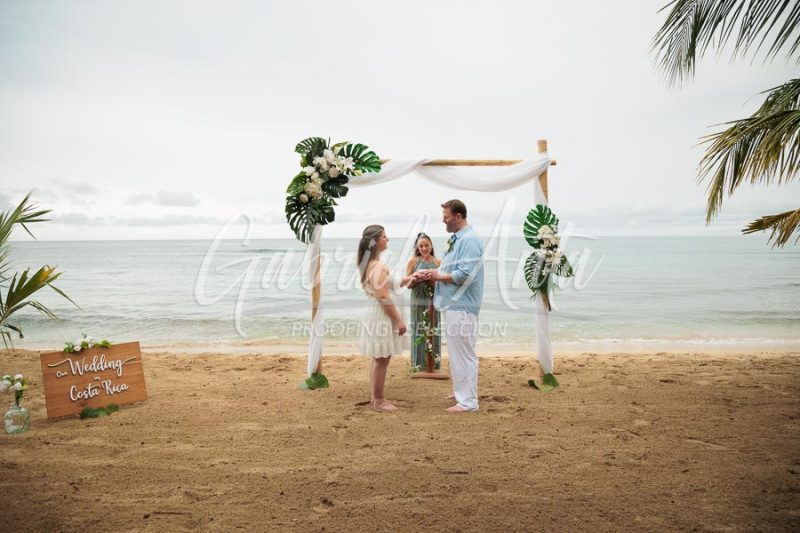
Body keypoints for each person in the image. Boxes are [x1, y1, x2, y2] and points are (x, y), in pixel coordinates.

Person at [414, 200, 484, 413]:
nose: (443, 220)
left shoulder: (470, 240)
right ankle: (461, 391)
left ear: (458, 216)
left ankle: (468, 402)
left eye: (446, 216)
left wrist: (438, 275)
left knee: (464, 353)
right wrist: (432, 275)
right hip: (452, 304)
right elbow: (448, 270)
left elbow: (465, 275)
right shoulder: (455, 239)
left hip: (462, 305)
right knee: (456, 353)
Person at [357, 224, 407, 412]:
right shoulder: (376, 266)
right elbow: (383, 296)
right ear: (375, 241)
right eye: (384, 237)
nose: (388, 239)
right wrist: (398, 320)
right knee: (382, 358)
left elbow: (392, 284)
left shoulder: (372, 263)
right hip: (381, 316)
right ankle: (378, 400)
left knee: (380, 357)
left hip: (378, 315)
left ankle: (375, 397)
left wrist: (412, 277)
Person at [405, 233, 441, 371]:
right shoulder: (413, 262)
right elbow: (407, 284)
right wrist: (416, 279)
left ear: (431, 245)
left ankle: (434, 363)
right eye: (421, 246)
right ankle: (418, 364)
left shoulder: (438, 262)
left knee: (433, 328)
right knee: (418, 329)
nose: (424, 248)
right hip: (417, 299)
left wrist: (431, 280)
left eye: (427, 245)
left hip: (433, 300)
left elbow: (441, 285)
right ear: (417, 247)